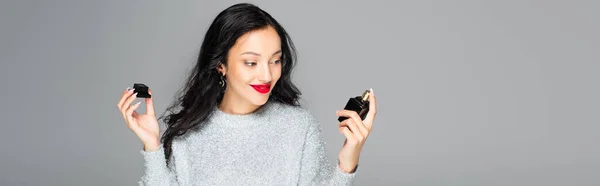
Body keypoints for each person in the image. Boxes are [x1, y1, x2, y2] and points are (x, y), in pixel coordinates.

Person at [116, 3, 377, 186]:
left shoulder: (299, 126)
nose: (266, 75)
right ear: (221, 64)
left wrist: (348, 162)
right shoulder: (189, 134)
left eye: (275, 60)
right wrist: (152, 147)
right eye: (251, 62)